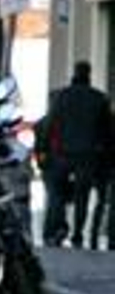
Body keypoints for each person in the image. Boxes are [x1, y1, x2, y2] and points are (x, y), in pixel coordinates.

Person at [39, 62, 113, 249]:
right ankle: (77, 234)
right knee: (82, 196)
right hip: (87, 156)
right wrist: (105, 158)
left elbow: (49, 125)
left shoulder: (61, 96)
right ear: (89, 74)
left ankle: (58, 228)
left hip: (61, 154)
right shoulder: (99, 98)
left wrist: (42, 150)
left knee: (57, 193)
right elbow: (107, 132)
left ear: (74, 73)